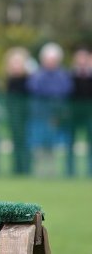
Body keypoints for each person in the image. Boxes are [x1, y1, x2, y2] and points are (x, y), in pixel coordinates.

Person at [27, 42, 74, 176]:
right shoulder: (37, 75)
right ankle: (40, 171)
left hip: (56, 117)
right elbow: (34, 88)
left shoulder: (63, 75)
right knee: (39, 145)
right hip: (39, 115)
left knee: (54, 146)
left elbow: (65, 90)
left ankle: (52, 171)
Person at [4, 47, 31, 174]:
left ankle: (26, 167)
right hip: (14, 117)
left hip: (26, 117)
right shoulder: (9, 80)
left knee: (25, 142)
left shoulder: (29, 80)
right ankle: (17, 168)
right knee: (16, 142)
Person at [69, 48, 92, 176]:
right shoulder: (70, 75)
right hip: (74, 114)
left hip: (89, 114)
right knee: (71, 142)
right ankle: (70, 171)